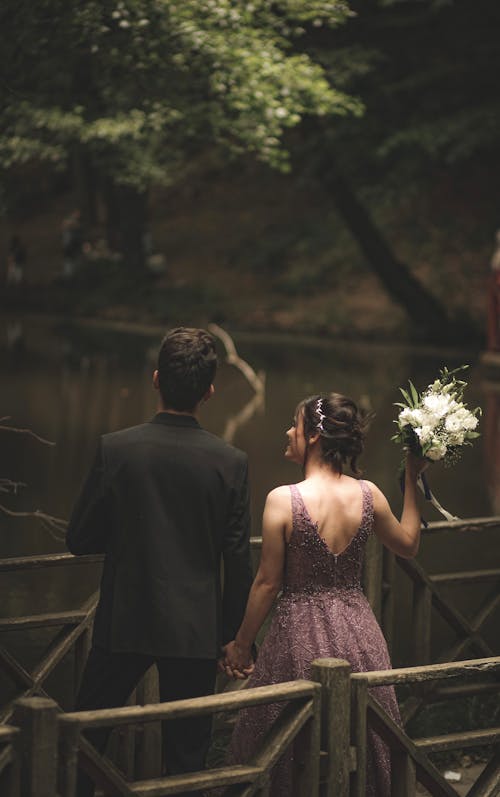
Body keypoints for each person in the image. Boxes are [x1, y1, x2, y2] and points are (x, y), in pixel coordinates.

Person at [66, 327, 253, 796]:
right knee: (188, 760)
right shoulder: (229, 462)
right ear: (209, 392)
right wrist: (231, 636)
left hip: (123, 618)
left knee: (85, 742)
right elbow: (237, 558)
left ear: (155, 380)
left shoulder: (117, 448)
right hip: (193, 629)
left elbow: (79, 537)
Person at [220, 392, 426, 797]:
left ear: (314, 436)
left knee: (280, 740)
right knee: (367, 741)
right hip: (360, 635)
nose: (287, 432)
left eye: (294, 425)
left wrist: (242, 645)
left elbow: (267, 583)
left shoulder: (283, 499)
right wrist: (411, 479)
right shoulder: (369, 495)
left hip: (298, 639)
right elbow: (408, 545)